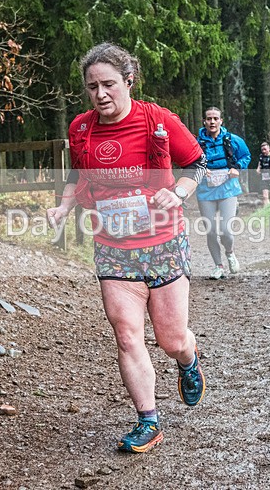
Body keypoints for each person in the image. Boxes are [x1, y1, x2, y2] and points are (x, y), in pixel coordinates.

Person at [46, 42, 208, 454]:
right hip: (113, 248)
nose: (100, 94)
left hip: (164, 243)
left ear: (128, 82)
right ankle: (148, 421)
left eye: (109, 84)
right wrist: (64, 206)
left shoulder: (157, 119)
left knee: (170, 339)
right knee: (127, 336)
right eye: (92, 86)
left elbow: (196, 163)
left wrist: (180, 193)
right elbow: (77, 172)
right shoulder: (81, 128)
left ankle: (188, 360)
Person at [195, 107, 251, 279]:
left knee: (226, 230)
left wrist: (237, 168)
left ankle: (230, 252)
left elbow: (246, 155)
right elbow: (189, 161)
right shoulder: (196, 143)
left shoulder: (232, 139)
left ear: (221, 121)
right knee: (211, 230)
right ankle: (218, 266)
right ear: (204, 121)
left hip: (228, 188)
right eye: (209, 119)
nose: (212, 122)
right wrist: (201, 171)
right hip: (206, 190)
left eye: (215, 118)